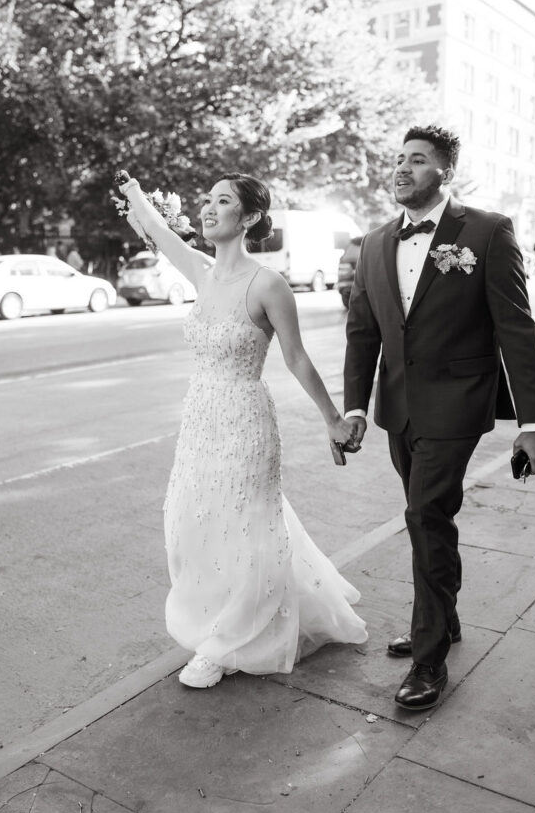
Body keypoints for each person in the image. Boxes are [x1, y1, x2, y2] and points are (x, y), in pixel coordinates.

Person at [117, 170, 368, 689]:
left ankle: (225, 643)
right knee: (193, 525)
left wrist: (333, 419)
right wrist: (133, 192)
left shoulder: (268, 284)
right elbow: (159, 230)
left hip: (246, 421)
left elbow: (296, 358)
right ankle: (220, 618)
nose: (209, 209)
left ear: (250, 217)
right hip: (199, 419)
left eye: (223, 201)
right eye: (207, 200)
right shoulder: (200, 270)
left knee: (246, 529)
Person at [344, 124, 535, 711]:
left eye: (417, 159)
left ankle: (429, 661)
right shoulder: (374, 242)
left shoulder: (486, 231)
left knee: (425, 513)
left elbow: (516, 328)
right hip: (398, 408)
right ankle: (444, 618)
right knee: (429, 520)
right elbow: (363, 332)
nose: (402, 168)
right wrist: (355, 407)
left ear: (445, 172)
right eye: (399, 158)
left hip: (458, 403)